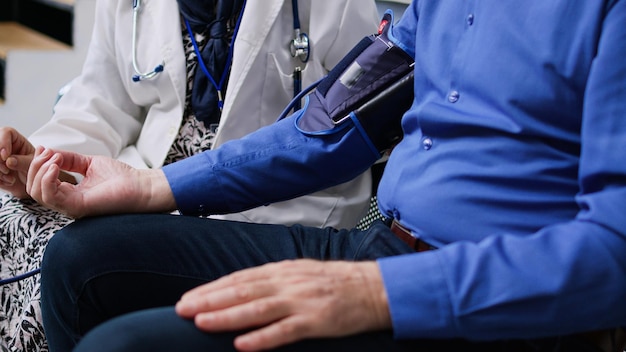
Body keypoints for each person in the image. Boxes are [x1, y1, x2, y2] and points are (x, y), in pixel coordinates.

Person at [28, 0, 626, 351]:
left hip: (485, 296)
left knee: (124, 348)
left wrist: (379, 293)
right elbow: (329, 124)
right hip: (380, 245)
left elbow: (616, 252)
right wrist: (155, 187)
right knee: (81, 261)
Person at [0, 0, 380, 349]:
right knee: (11, 219)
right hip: (144, 179)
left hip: (269, 208)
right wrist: (43, 162)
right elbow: (101, 100)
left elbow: (353, 118)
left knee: (69, 252)